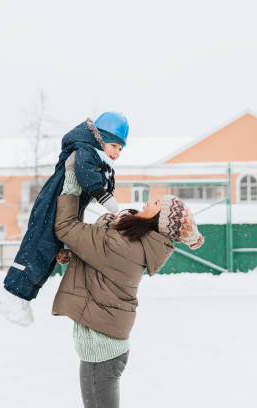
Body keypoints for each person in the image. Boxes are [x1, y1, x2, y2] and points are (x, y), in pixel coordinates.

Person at [52, 158, 204, 408]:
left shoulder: (125, 247)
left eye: (155, 204)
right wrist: (75, 255)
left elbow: (66, 226)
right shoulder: (132, 243)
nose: (148, 202)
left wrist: (71, 178)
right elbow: (102, 264)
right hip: (105, 346)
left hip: (102, 351)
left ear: (159, 221)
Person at [0, 112, 129, 326]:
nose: (117, 152)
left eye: (121, 149)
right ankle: (10, 294)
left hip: (66, 206)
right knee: (38, 248)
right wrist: (102, 195)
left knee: (48, 255)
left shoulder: (96, 156)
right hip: (51, 204)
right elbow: (85, 173)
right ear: (100, 138)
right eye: (114, 146)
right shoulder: (84, 151)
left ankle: (22, 298)